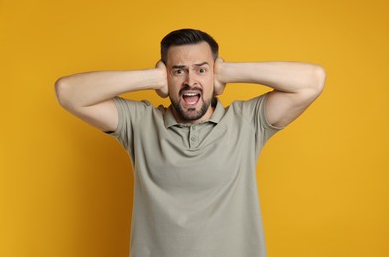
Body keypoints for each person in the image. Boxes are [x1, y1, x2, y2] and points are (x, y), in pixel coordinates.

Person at [55, 28, 325, 257]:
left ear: (214, 75)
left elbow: (313, 80)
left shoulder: (246, 122)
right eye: (179, 71)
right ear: (165, 77)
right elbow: (67, 92)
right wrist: (150, 78)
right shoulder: (139, 122)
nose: (190, 81)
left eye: (201, 70)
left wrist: (227, 71)